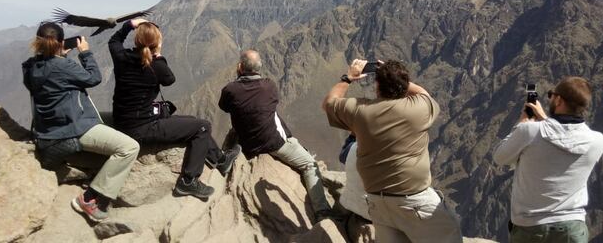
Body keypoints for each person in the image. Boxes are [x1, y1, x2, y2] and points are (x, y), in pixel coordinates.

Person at [322, 59, 462, 242]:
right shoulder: (418, 109)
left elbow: (328, 103)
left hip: (378, 204)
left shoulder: (360, 111)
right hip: (414, 201)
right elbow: (424, 93)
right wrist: (396, 77)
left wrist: (348, 78)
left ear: (376, 87)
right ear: (404, 86)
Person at [108, 18, 239, 199]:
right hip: (142, 128)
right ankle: (188, 181)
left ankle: (221, 160)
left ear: (136, 41)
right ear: (157, 44)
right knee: (203, 126)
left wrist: (129, 25)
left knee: (193, 122)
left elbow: (113, 41)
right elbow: (170, 79)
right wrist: (159, 55)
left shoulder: (121, 57)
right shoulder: (157, 65)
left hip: (124, 121)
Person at [22, 22, 140, 222]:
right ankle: (90, 198)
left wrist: (59, 55)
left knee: (113, 119)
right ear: (60, 42)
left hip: (48, 128)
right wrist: (85, 53)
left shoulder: (30, 67)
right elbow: (93, 78)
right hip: (72, 128)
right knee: (129, 147)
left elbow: (52, 77)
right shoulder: (63, 66)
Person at [218, 50, 333, 222]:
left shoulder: (230, 90)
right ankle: (322, 212)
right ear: (259, 69)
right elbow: (271, 103)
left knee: (244, 121)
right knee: (309, 164)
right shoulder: (269, 86)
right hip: (272, 143)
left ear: (240, 67)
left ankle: (224, 156)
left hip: (247, 143)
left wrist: (239, 78)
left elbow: (224, 107)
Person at [494, 77, 603, 243]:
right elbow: (564, 139)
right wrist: (545, 120)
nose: (551, 98)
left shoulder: (529, 131)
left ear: (558, 99)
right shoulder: (597, 141)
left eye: (551, 94)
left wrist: (522, 124)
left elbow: (500, 157)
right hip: (572, 229)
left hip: (530, 228)